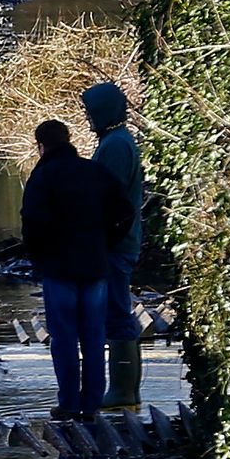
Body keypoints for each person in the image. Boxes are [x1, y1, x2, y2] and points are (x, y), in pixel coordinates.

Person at [21, 120, 134, 420]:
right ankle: (92, 405)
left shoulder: (42, 177)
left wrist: (37, 260)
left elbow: (31, 222)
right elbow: (125, 211)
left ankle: (69, 403)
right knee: (95, 338)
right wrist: (107, 243)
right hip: (95, 266)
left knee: (64, 339)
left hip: (59, 270)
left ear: (41, 146)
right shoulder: (95, 172)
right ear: (69, 140)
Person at [82, 82, 146, 409]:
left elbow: (109, 199)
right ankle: (125, 391)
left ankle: (123, 390)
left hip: (115, 244)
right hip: (118, 241)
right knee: (117, 310)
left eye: (90, 110)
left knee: (117, 312)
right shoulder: (116, 141)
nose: (87, 117)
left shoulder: (116, 146)